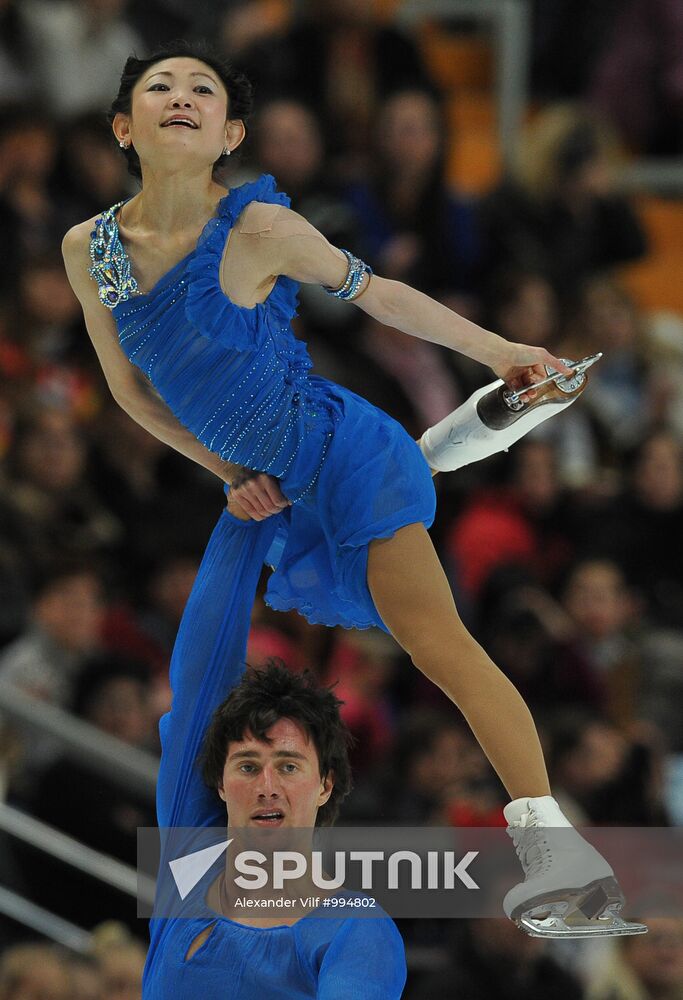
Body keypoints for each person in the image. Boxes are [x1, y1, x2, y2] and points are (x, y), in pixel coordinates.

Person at [61, 39, 640, 940]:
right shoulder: (88, 249)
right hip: (283, 480)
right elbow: (130, 392)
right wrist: (231, 476)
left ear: (231, 133)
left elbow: (384, 299)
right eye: (158, 87)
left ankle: (560, 855)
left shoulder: (260, 231)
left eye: (202, 89)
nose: (180, 96)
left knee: (435, 645)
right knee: (399, 612)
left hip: (341, 453)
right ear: (121, 126)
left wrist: (501, 351)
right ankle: (450, 445)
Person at [143, 507, 407, 997]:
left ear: (325, 783)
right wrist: (242, 521)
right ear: (219, 783)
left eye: (288, 766)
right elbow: (201, 674)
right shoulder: (193, 855)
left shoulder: (355, 930)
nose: (267, 787)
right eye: (247, 766)